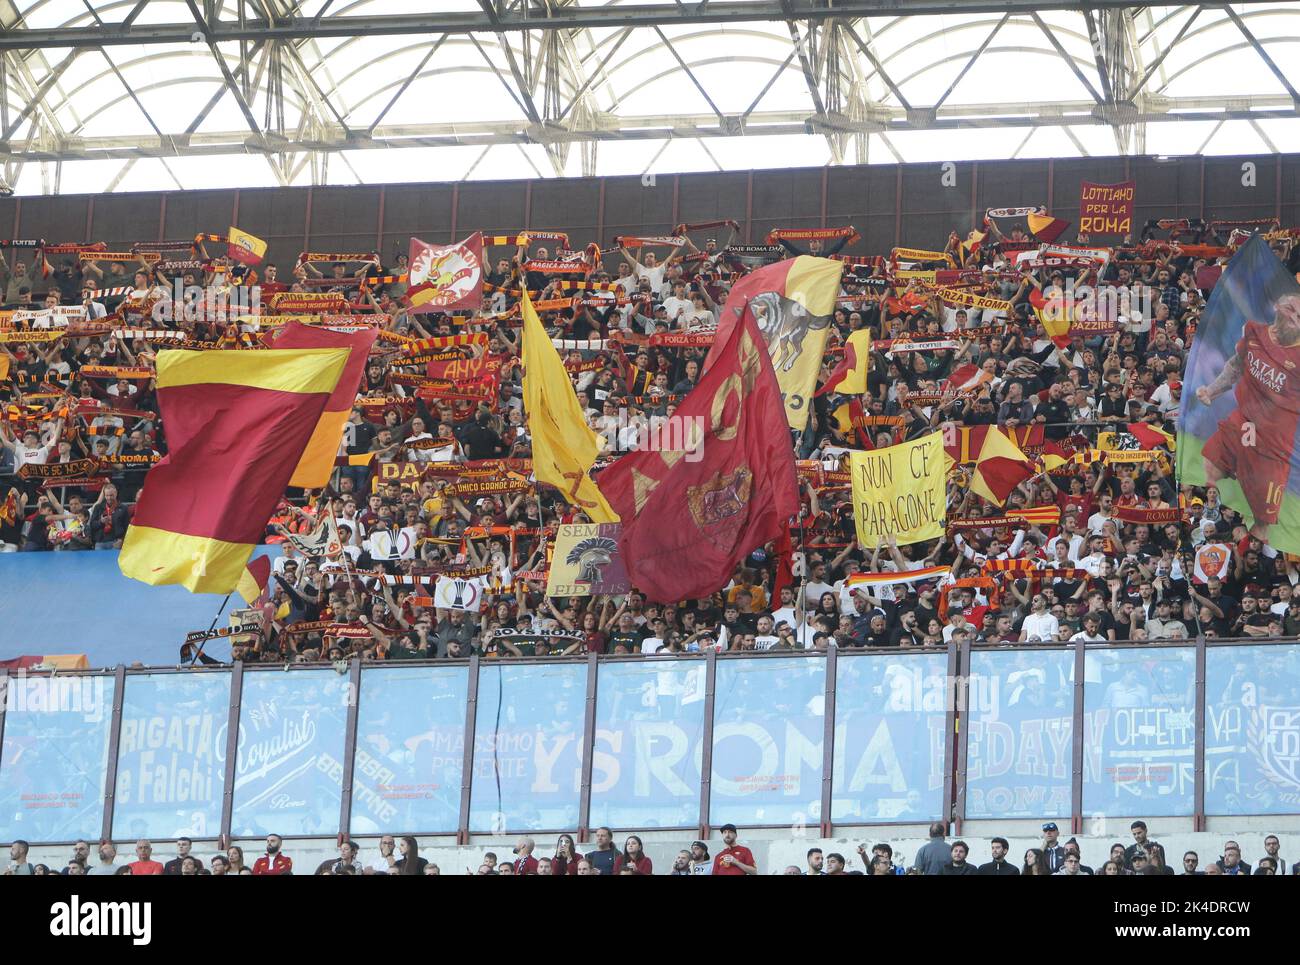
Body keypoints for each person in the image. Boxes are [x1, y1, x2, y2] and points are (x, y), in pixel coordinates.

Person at [1195, 291, 1300, 542]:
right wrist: (1211, 391)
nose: (1297, 317)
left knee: (1263, 524)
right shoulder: (1254, 332)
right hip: (1242, 422)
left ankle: (1255, 568)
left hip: (1274, 445)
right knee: (1209, 466)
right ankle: (1210, 521)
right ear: (1276, 307)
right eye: (1292, 310)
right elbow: (1235, 365)